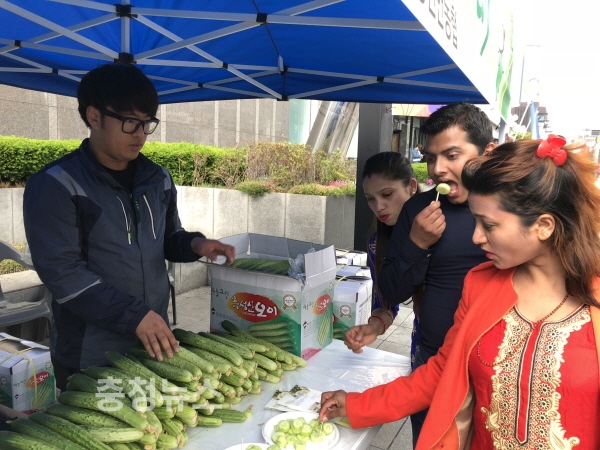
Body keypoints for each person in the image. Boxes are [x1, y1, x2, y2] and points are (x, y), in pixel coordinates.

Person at [320, 136, 600, 449]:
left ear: (544, 225)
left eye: (488, 225)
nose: (477, 237)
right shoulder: (481, 286)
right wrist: (359, 405)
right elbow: (441, 373)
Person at [23, 63, 235, 391]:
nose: (140, 134)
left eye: (147, 123)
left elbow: (168, 238)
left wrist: (196, 245)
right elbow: (63, 274)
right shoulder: (57, 185)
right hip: (89, 354)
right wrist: (134, 316)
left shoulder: (157, 178)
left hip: (150, 343)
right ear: (94, 117)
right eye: (130, 122)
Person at [343, 102, 495, 446]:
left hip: (493, 365)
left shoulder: (512, 209)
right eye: (430, 158)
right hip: (432, 360)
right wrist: (417, 243)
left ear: (488, 152)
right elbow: (391, 291)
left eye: (452, 155)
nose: (438, 169)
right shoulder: (417, 211)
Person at [356, 152, 419, 340]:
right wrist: (373, 327)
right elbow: (385, 302)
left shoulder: (446, 226)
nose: (379, 206)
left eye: (387, 194)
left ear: (412, 186)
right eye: (370, 198)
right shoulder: (377, 243)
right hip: (424, 341)